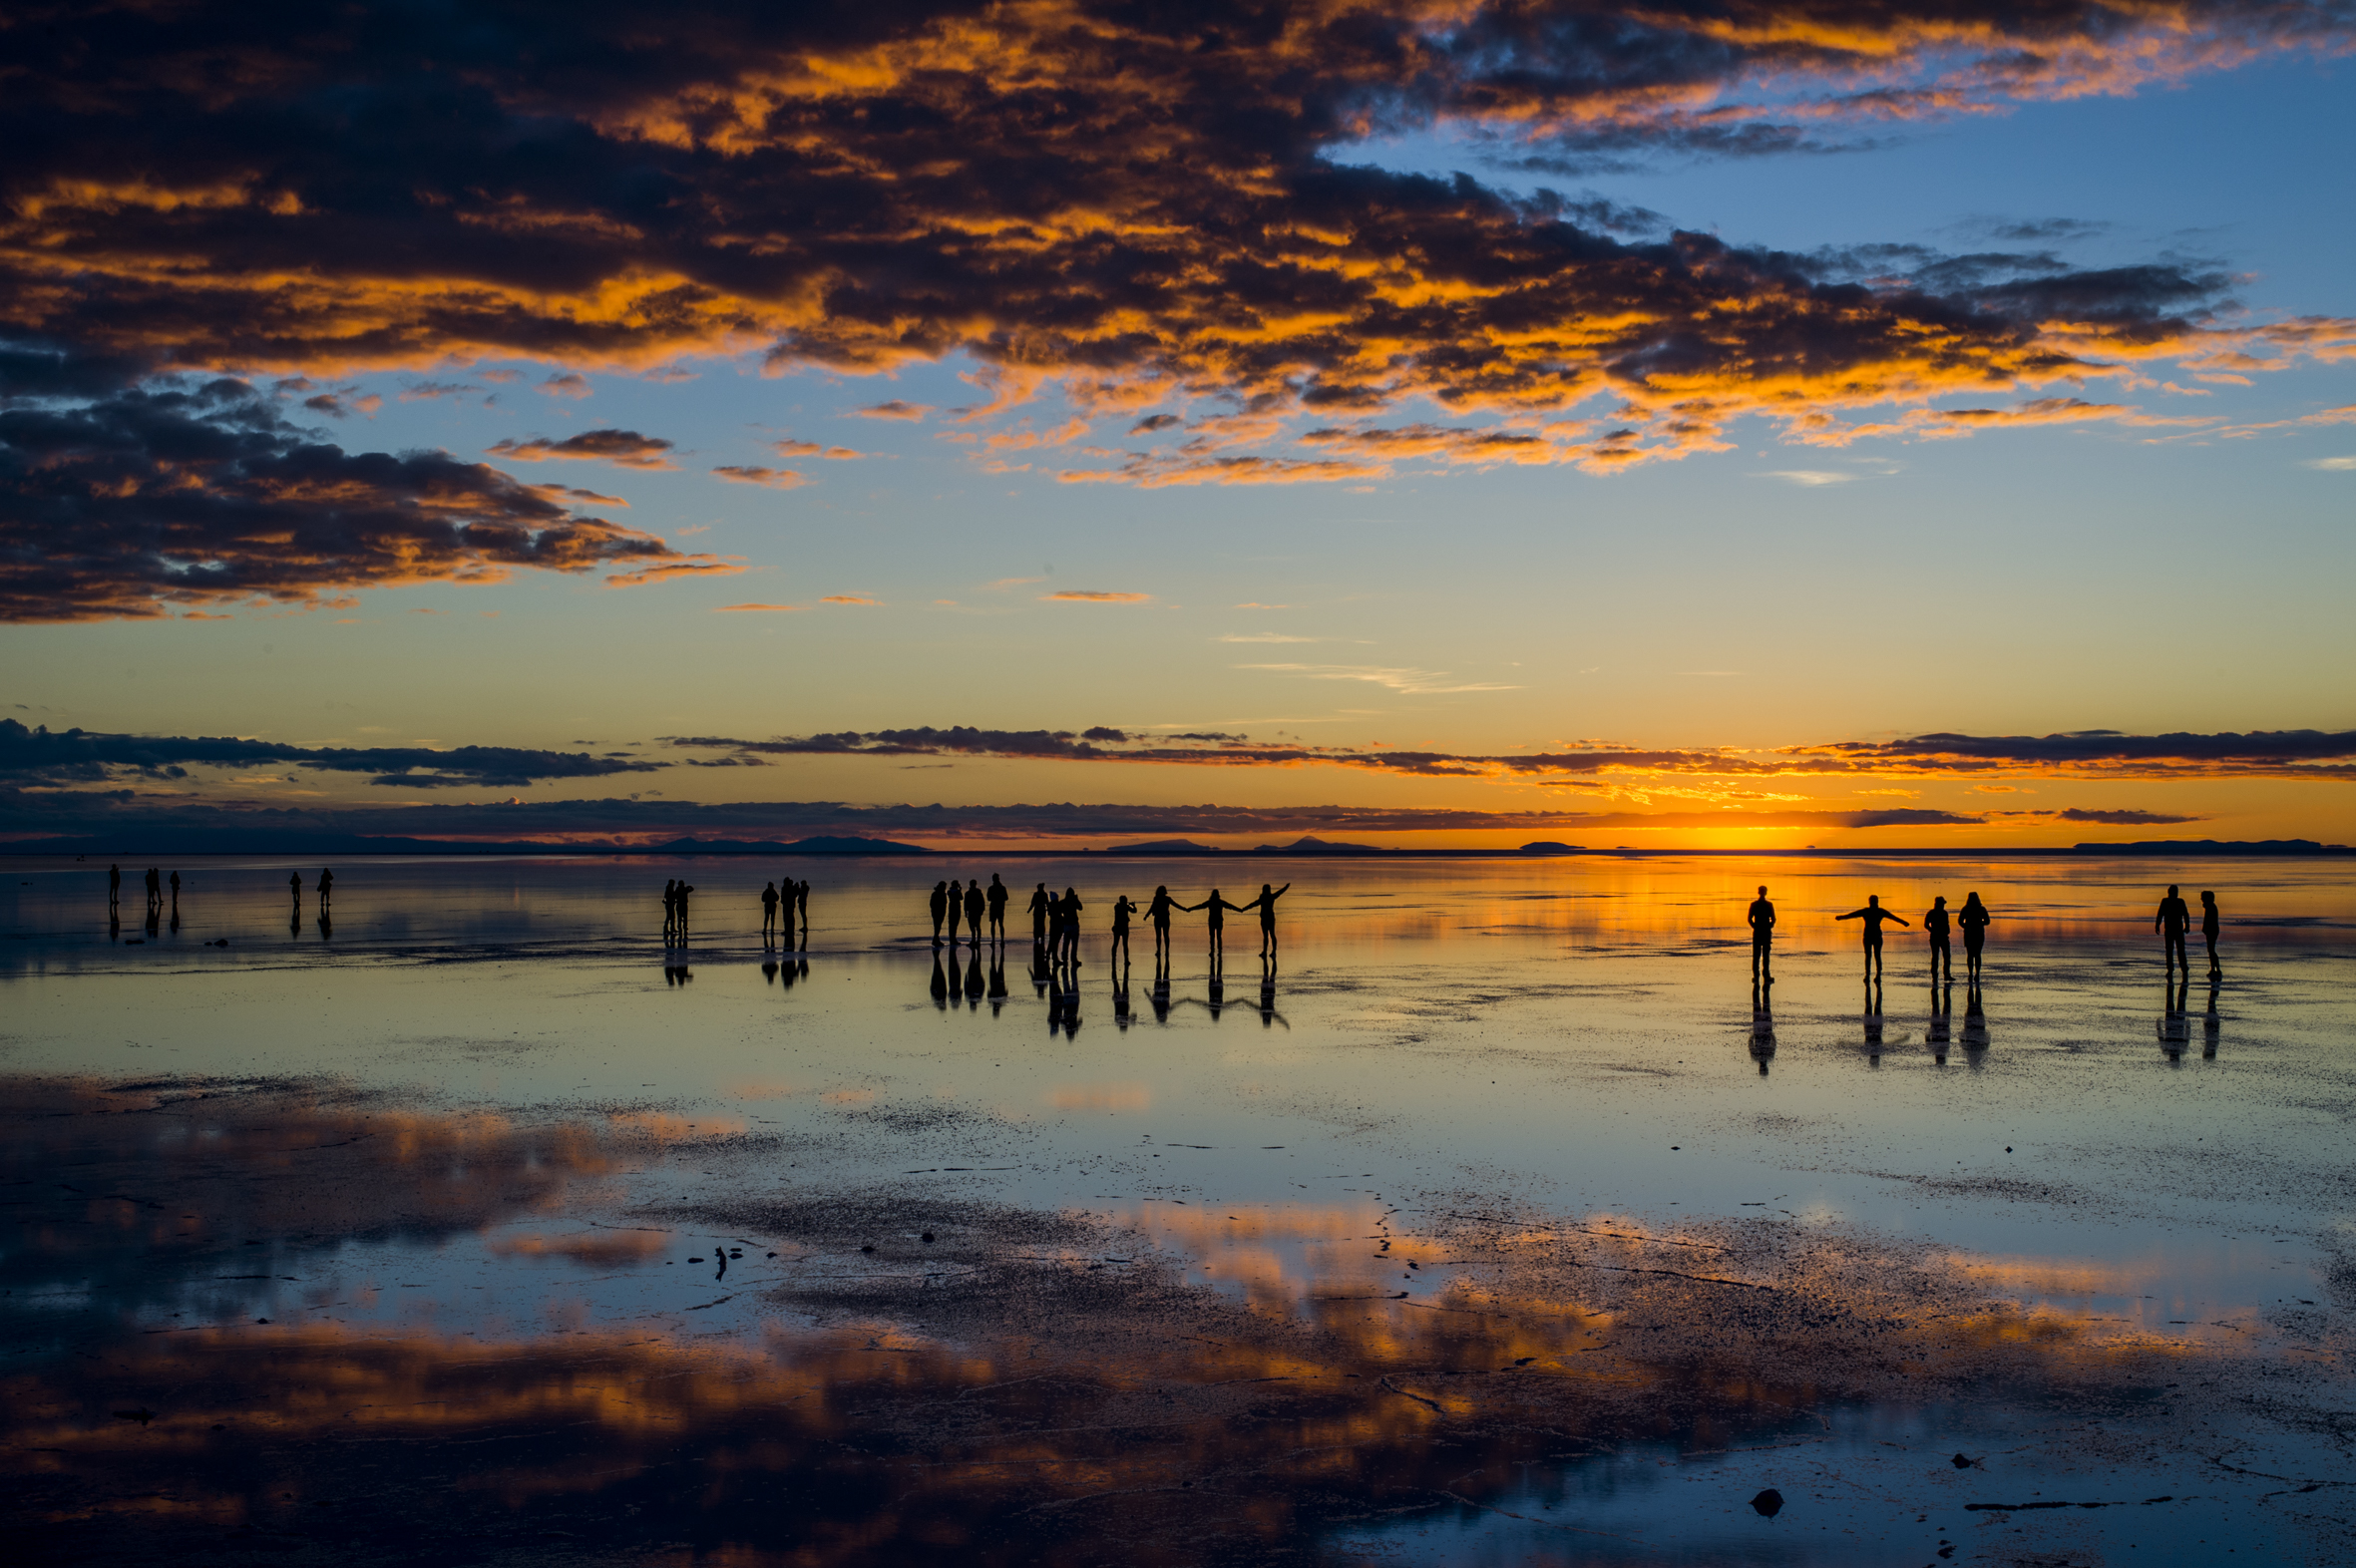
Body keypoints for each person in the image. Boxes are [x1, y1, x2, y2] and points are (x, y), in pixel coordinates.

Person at [1835, 895, 1908, 979]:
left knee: (1870, 956)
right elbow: (1894, 918)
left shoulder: (1868, 911)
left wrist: (1841, 917)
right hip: (1873, 935)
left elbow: (1852, 915)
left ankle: (1871, 975)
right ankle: (1874, 975)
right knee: (1875, 956)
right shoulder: (1879, 911)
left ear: (1870, 902)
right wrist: (1904, 922)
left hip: (1870, 935)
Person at [1242, 882, 1291, 956]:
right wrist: (1286, 887)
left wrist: (1243, 909)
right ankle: (1269, 951)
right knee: (1270, 935)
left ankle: (1269, 951)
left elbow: (1253, 904)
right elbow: (1280, 892)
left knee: (1268, 935)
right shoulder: (1270, 897)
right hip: (1268, 918)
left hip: (1266, 918)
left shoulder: (1264, 898)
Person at [2155, 885, 2191, 975]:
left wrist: (2187, 926)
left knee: (2175, 949)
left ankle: (2181, 968)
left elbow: (2185, 914)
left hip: (2175, 929)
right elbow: (2160, 914)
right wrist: (2157, 925)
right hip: (2173, 929)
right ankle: (2175, 968)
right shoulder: (2170, 901)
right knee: (2174, 949)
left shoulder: (2173, 901)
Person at [1958, 892, 1991, 981]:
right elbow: (1987, 921)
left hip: (1969, 933)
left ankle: (1970, 973)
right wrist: (1980, 924)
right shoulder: (1981, 909)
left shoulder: (1965, 909)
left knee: (1970, 954)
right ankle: (1977, 973)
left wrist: (1966, 926)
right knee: (1977, 954)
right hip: (1978, 933)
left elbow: (1960, 921)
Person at [1747, 886, 1775, 977]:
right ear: (1765, 892)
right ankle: (1765, 974)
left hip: (1759, 932)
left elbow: (1749, 919)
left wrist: (1755, 927)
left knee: (1757, 955)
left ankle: (1756, 975)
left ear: (1758, 892)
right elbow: (1773, 919)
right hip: (1764, 932)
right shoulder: (1768, 905)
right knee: (1765, 955)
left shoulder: (1754, 904)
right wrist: (1768, 927)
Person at [1923, 895, 1952, 983]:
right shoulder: (1932, 913)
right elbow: (1926, 925)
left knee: (1946, 956)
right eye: (1942, 903)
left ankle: (1946, 975)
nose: (1943, 905)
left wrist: (1947, 931)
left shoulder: (1944, 913)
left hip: (1943, 937)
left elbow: (1946, 924)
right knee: (1936, 956)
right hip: (1936, 937)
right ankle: (1935, 975)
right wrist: (1932, 930)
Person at [1145, 885, 1179, 956]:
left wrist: (1146, 915)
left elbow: (1152, 907)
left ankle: (1160, 951)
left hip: (1158, 918)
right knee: (1164, 935)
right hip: (1164, 918)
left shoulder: (1157, 898)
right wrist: (1185, 909)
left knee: (1160, 935)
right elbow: (1176, 905)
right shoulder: (1166, 899)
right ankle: (1165, 951)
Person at [2199, 890, 2221, 977]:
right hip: (2212, 930)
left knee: (2211, 950)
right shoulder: (2210, 906)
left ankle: (2216, 969)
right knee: (2211, 950)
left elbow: (2209, 920)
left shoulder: (2210, 907)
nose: (2201, 899)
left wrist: (2205, 928)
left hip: (2212, 930)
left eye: (2202, 897)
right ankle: (2214, 969)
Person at [1110, 894, 1137, 964]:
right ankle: (1126, 959)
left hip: (1118, 927)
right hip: (1123, 927)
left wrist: (1130, 906)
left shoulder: (1117, 906)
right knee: (1124, 944)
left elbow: (1134, 911)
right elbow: (1134, 911)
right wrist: (1133, 906)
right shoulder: (1125, 907)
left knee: (1116, 943)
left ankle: (1114, 958)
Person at [986, 874, 1009, 941]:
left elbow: (989, 898)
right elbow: (1006, 898)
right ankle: (1001, 939)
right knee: (1000, 924)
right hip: (999, 908)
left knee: (994, 924)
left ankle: (994, 939)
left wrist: (995, 898)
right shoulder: (1002, 888)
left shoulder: (991, 888)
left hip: (995, 907)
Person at [964, 880, 985, 945]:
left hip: (976, 911)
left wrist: (982, 910)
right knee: (973, 927)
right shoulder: (968, 893)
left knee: (976, 926)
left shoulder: (977, 892)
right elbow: (966, 903)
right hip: (972, 911)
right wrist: (965, 911)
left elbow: (982, 902)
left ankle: (977, 940)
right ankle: (974, 940)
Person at [945, 874, 964, 944]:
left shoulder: (949, 891)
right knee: (955, 924)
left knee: (951, 924)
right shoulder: (957, 892)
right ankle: (953, 939)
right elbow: (961, 898)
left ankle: (951, 938)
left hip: (951, 907)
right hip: (956, 908)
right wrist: (960, 890)